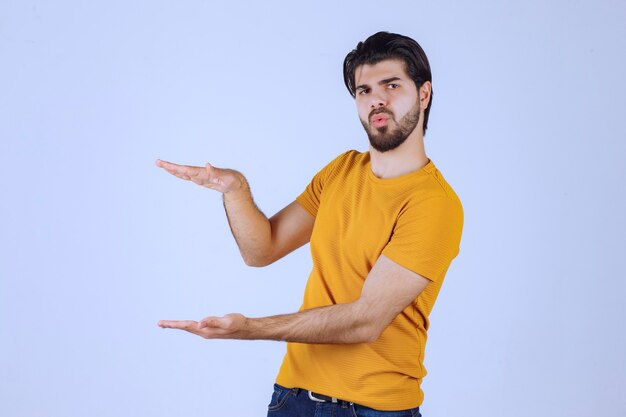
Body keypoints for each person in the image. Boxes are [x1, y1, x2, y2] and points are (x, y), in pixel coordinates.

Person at [156, 31, 464, 417]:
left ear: (423, 94)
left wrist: (250, 328)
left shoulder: (433, 204)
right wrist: (234, 189)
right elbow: (261, 249)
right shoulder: (342, 170)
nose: (376, 99)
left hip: (373, 408)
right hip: (292, 398)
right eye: (363, 90)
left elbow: (364, 322)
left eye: (391, 85)